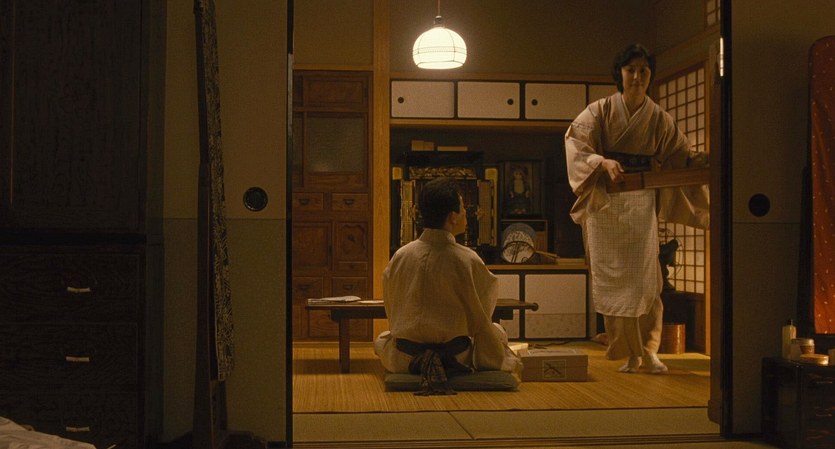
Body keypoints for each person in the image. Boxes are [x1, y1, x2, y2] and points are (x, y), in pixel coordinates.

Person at [564, 43, 709, 374]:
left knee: (646, 279)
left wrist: (704, 160)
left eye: (644, 70)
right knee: (613, 278)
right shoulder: (600, 111)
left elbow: (680, 156)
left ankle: (649, 350)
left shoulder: (658, 118)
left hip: (641, 201)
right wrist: (601, 162)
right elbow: (576, 144)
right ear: (620, 74)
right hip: (606, 201)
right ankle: (628, 351)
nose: (637, 76)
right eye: (631, 70)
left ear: (650, 75)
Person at [374, 177, 521, 394]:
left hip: (405, 360)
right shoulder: (468, 260)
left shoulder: (400, 256)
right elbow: (482, 316)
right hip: (454, 359)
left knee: (383, 338)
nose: (466, 214)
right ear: (453, 217)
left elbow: (392, 307)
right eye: (463, 208)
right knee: (497, 332)